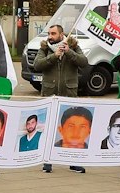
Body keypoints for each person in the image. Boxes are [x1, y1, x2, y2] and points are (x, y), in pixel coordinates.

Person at [33, 23, 87, 174]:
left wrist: (69, 53)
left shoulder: (73, 46)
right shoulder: (44, 48)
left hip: (69, 95)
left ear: (61, 34)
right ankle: (47, 162)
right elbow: (37, 65)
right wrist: (53, 56)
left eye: (53, 34)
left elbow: (84, 62)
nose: (50, 37)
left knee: (71, 129)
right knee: (49, 129)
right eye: (49, 34)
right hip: (50, 94)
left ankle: (72, 162)